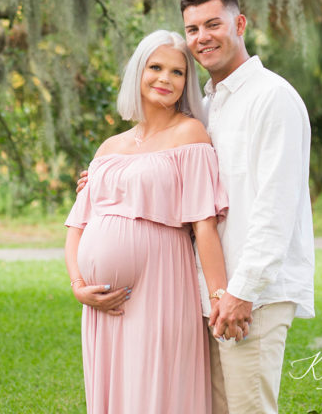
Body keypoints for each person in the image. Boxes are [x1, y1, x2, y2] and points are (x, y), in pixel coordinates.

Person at [65, 29, 231, 414]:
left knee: (157, 391)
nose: (165, 79)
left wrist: (219, 297)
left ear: (187, 82)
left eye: (177, 72)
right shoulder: (110, 147)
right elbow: (77, 227)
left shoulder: (190, 134)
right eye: (155, 67)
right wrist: (78, 287)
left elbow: (204, 225)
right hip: (101, 305)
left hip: (162, 285)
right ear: (137, 72)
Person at [180, 0, 314, 414]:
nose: (202, 37)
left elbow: (276, 207)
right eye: (193, 29)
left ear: (239, 24)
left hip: (254, 295)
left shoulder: (271, 98)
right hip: (213, 293)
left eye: (213, 24)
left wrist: (242, 292)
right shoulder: (207, 104)